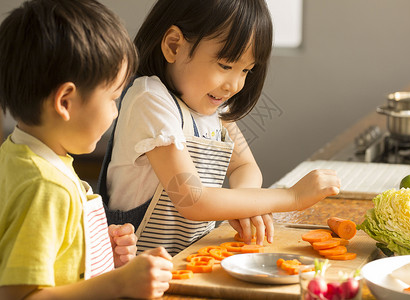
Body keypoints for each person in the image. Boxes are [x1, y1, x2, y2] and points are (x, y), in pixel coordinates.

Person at [99, 0, 341, 256]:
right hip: (135, 269)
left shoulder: (213, 108)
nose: (234, 85)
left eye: (246, 69)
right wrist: (292, 197)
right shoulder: (150, 100)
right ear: (174, 46)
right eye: (225, 65)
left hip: (185, 260)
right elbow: (192, 200)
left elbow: (244, 166)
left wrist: (246, 206)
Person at [0, 0, 173, 299]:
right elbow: (19, 295)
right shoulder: (45, 187)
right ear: (65, 102)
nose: (115, 113)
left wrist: (92, 250)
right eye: (112, 98)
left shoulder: (17, 154)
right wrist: (119, 284)